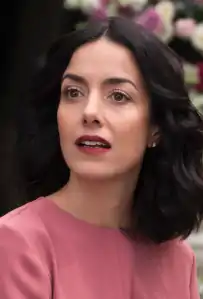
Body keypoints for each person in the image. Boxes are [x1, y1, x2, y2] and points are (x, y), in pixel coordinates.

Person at [0, 16, 203, 299]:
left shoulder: (178, 259)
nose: (90, 111)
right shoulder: (16, 242)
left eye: (118, 96)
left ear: (156, 129)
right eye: (73, 92)